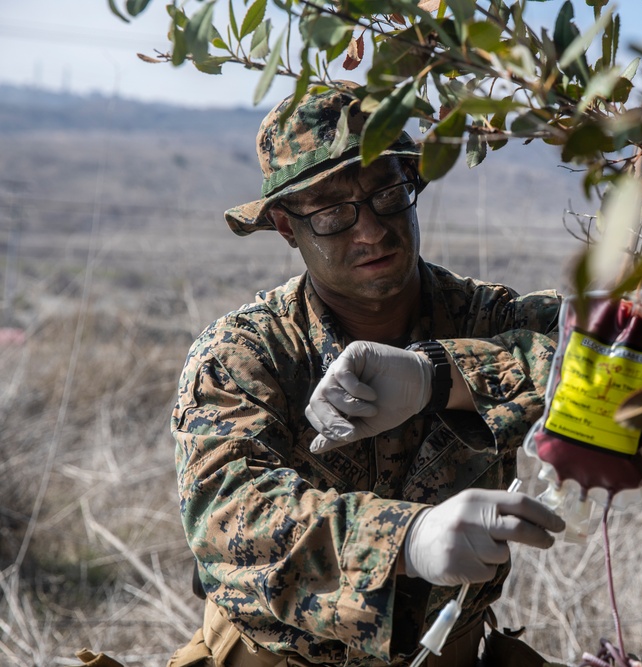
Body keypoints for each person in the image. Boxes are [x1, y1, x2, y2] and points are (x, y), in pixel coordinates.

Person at [167, 81, 566, 667]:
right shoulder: (244, 354)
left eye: (388, 194)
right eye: (332, 213)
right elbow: (229, 517)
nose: (372, 230)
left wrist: (441, 375)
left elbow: (623, 352)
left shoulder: (483, 317)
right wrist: (406, 538)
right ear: (286, 227)